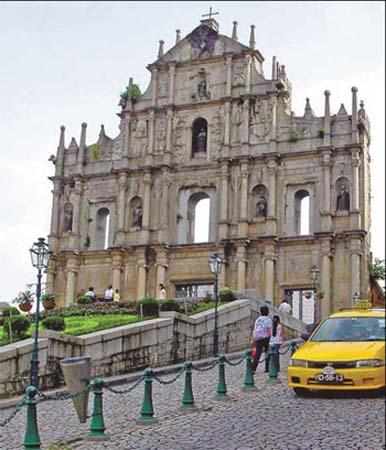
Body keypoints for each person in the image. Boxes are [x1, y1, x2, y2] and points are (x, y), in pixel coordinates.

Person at [251, 306, 272, 374]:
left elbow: (254, 329)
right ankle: (267, 368)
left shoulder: (258, 319)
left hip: (257, 338)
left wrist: (252, 339)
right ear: (267, 312)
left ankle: (253, 369)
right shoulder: (268, 320)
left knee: (257, 354)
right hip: (265, 338)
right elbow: (270, 330)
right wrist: (271, 338)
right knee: (267, 353)